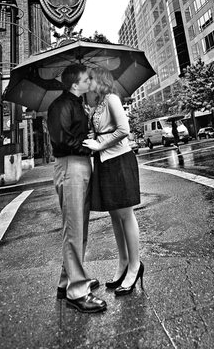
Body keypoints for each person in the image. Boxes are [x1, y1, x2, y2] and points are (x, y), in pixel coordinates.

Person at [47, 63, 107, 314]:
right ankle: (77, 291)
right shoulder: (61, 105)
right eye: (86, 79)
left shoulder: (77, 104)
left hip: (80, 165)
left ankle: (67, 280)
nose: (89, 82)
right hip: (71, 166)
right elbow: (61, 140)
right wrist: (89, 146)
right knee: (74, 229)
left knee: (79, 227)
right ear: (74, 83)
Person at [83, 66, 143, 296]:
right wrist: (94, 139)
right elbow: (105, 131)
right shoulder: (97, 105)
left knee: (126, 215)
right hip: (104, 163)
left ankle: (135, 266)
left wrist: (99, 144)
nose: (88, 82)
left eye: (91, 79)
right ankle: (123, 263)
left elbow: (124, 130)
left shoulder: (111, 98)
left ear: (100, 79)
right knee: (115, 216)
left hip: (119, 161)